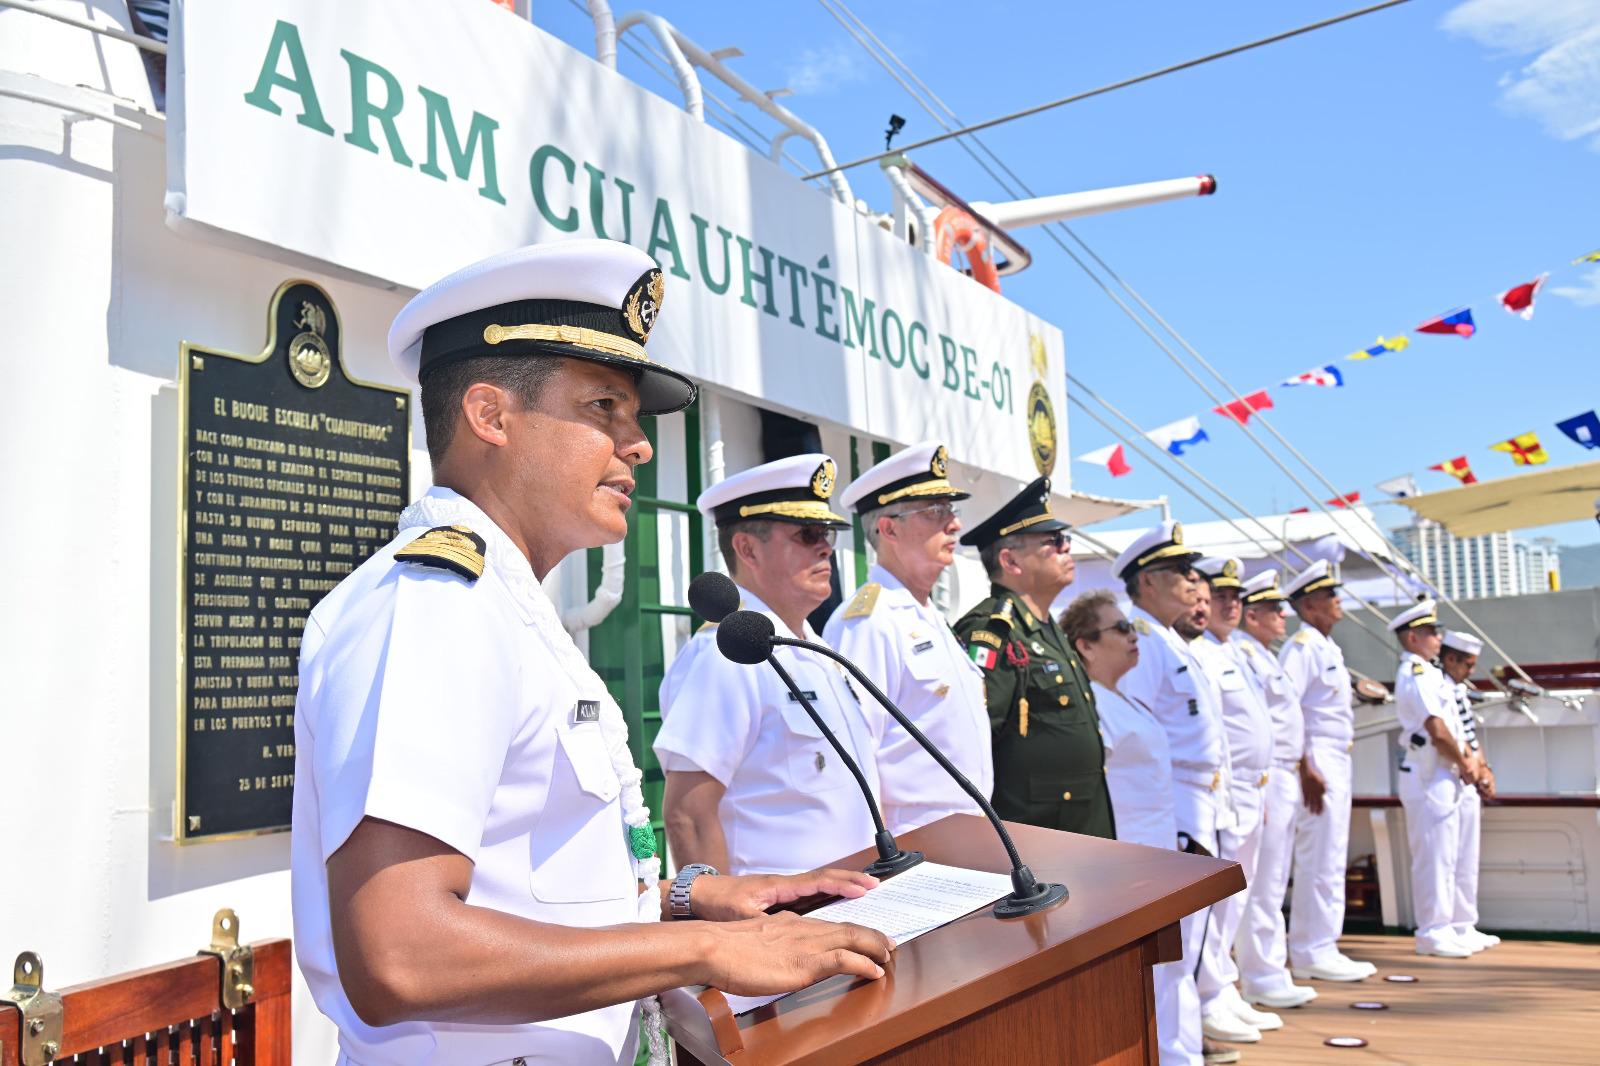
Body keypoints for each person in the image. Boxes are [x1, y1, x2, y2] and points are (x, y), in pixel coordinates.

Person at [290, 240, 894, 1066]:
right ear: (491, 416)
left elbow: (534, 886)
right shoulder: (438, 606)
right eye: (604, 407)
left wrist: (695, 899)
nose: (638, 445)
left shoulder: (504, 607)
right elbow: (401, 953)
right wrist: (706, 950)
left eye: (632, 417)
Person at [655, 454, 888, 877]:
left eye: (827, 534)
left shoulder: (817, 650)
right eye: (808, 534)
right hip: (784, 911)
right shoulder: (726, 655)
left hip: (856, 897)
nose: (825, 547)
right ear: (747, 549)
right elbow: (688, 814)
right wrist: (723, 915)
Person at [1064, 590, 1208, 1066]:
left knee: (1168, 964)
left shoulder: (1121, 697)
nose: (1133, 636)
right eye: (1120, 629)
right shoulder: (1092, 708)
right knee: (1143, 969)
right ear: (1086, 645)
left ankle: (1175, 1052)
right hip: (1127, 857)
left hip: (1157, 852)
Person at [823, 441, 990, 834]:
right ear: (889, 528)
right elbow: (855, 757)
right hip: (915, 841)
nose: (954, 524)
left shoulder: (929, 616)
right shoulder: (868, 622)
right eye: (935, 512)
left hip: (966, 833)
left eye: (951, 510)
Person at [1114, 522, 1231, 1066]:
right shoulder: (1143, 642)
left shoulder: (1169, 640)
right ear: (1149, 581)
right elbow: (1137, 738)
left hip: (1200, 797)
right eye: (1181, 571)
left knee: (1194, 936)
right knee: (1177, 941)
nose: (1193, 580)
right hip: (1173, 801)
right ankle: (1170, 1052)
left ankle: (1182, 1047)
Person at [952, 477, 1114, 837]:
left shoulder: (1048, 629)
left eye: (1065, 540)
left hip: (1079, 826)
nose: (1066, 548)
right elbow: (976, 739)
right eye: (1053, 541)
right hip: (1034, 832)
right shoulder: (993, 631)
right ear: (1010, 561)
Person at [1190, 559, 1281, 1045]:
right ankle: (1209, 995)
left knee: (1239, 897)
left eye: (1236, 598)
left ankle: (1223, 987)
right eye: (1221, 596)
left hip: (1253, 788)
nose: (1230, 605)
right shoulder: (1202, 652)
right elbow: (1215, 733)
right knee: (1219, 900)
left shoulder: (1235, 652)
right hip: (1226, 791)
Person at [1279, 560, 1376, 982]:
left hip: (1336, 757)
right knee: (1318, 856)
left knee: (1332, 855)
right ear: (1310, 605)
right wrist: (1305, 769)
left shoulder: (1326, 647)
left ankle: (1324, 944)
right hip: (1317, 759)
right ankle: (1310, 949)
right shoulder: (1301, 648)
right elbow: (1288, 710)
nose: (1338, 601)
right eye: (1330, 595)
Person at [1230, 570, 1318, 1010]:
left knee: (1275, 877)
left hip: (1281, 772)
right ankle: (1262, 975)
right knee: (1262, 881)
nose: (1283, 615)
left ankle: (1269, 970)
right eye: (1274, 609)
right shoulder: (1244, 653)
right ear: (1253, 616)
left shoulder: (1263, 656)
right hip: (1265, 777)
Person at [1391, 600, 1478, 957]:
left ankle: (1451, 927)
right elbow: (1437, 730)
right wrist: (1466, 763)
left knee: (1450, 855)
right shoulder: (1415, 673)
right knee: (1434, 858)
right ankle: (1432, 931)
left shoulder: (1429, 674)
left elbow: (1452, 727)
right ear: (1413, 638)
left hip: (1443, 771)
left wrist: (1464, 762)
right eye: (1431, 632)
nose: (1438, 638)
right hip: (1428, 772)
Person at [1439, 630, 1500, 951]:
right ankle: (1443, 928)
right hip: (1449, 776)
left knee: (1466, 856)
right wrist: (1470, 766)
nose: (1472, 671)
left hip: (1466, 779)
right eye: (1468, 664)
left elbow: (1469, 735)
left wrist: (1484, 769)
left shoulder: (1459, 691)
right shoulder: (1439, 687)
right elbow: (1446, 734)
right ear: (1450, 659)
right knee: (1446, 858)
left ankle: (1463, 924)